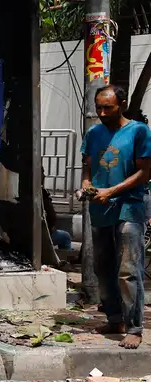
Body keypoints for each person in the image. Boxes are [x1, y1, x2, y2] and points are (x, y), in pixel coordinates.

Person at [81, 85, 151, 350]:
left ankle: (134, 327)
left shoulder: (139, 131)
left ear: (121, 104)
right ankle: (114, 318)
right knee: (103, 266)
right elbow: (87, 166)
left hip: (129, 208)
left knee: (128, 270)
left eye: (107, 107)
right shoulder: (93, 133)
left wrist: (112, 190)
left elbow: (145, 173)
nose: (101, 112)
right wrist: (87, 185)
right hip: (100, 209)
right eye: (99, 107)